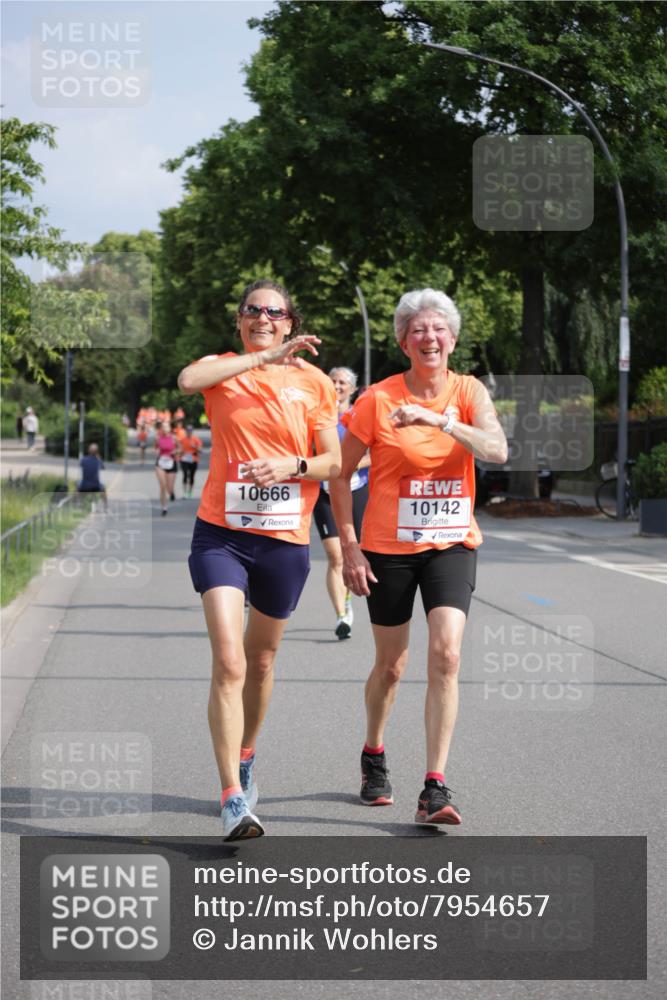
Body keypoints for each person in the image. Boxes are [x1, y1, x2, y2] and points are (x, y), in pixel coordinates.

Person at [330, 288, 508, 826]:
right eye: (418, 330)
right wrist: (350, 547)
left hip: (452, 543)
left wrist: (441, 422)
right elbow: (340, 474)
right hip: (388, 549)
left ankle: (434, 785)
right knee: (391, 666)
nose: (429, 337)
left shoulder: (469, 391)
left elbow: (497, 450)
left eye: (438, 329)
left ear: (452, 339)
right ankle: (374, 752)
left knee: (447, 656)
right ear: (404, 340)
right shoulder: (377, 400)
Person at [177, 279, 340, 841]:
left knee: (262, 659)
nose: (263, 317)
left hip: (285, 540)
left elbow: (333, 463)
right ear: (241, 320)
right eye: (253, 310)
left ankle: (245, 755)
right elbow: (187, 379)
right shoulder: (224, 368)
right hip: (221, 534)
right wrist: (261, 358)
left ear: (291, 321)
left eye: (274, 313)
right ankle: (230, 797)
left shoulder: (316, 383)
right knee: (230, 661)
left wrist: (293, 466)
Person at [313, 367, 370, 640]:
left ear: (353, 388)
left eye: (342, 382)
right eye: (332, 381)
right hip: (324, 492)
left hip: (356, 490)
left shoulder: (360, 416)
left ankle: (348, 596)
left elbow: (377, 454)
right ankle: (341, 614)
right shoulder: (316, 414)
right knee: (335, 555)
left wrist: (351, 464)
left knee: (355, 550)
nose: (337, 386)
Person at [154, 420, 180, 515]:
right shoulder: (158, 438)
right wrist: (156, 451)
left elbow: (180, 448)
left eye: (166, 427)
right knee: (162, 486)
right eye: (163, 427)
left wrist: (176, 451)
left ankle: (172, 492)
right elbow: (156, 447)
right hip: (160, 463)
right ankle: (164, 507)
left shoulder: (174, 438)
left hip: (171, 463)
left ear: (170, 428)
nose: (164, 428)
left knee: (169, 487)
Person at [77, 443, 107, 509]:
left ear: (88, 451)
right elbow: (103, 468)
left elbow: (80, 465)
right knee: (103, 488)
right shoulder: (98, 460)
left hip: (84, 485)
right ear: (97, 452)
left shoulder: (83, 460)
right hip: (96, 485)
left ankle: (79, 502)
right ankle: (105, 505)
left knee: (78, 484)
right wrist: (98, 457)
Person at [180, 424, 203, 498]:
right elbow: (179, 449)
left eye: (190, 430)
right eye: (187, 430)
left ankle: (190, 492)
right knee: (185, 474)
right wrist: (179, 452)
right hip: (184, 459)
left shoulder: (196, 439)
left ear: (192, 431)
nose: (189, 432)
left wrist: (195, 447)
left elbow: (200, 450)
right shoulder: (182, 440)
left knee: (192, 476)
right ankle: (184, 492)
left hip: (193, 459)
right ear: (185, 431)